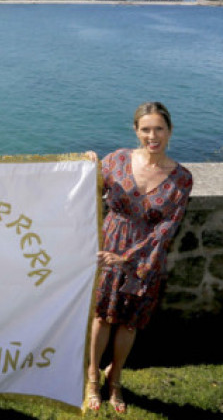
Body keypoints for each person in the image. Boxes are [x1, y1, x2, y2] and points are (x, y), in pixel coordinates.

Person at [84, 102, 193, 414]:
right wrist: (87, 164)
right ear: (136, 131)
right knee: (102, 316)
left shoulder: (182, 178)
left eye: (159, 128)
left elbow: (167, 227)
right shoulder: (116, 160)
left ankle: (114, 377)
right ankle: (92, 377)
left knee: (129, 322)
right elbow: (87, 188)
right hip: (108, 245)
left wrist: (127, 258)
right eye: (145, 129)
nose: (152, 135)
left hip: (147, 255)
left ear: (170, 131)